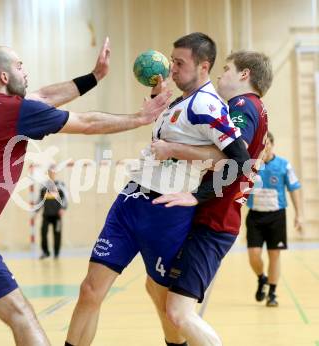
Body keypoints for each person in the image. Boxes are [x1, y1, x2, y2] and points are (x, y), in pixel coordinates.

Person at [0, 38, 173, 346]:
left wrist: (93, 77)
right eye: (18, 66)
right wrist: (140, 118)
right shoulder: (13, 112)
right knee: (22, 315)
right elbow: (87, 122)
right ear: (4, 76)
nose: (24, 70)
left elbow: (42, 96)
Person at [65, 32, 252, 346]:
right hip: (131, 200)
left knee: (164, 300)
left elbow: (241, 160)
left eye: (179, 63)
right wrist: (156, 96)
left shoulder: (207, 106)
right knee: (90, 289)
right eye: (171, 61)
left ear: (204, 67)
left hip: (165, 213)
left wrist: (196, 195)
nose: (172, 69)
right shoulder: (181, 100)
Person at [151, 50, 272, 345]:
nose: (220, 74)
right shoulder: (254, 108)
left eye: (227, 68)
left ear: (245, 75)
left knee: (179, 312)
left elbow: (235, 156)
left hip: (215, 221)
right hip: (214, 217)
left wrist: (176, 156)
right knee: (158, 290)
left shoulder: (243, 105)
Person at [246, 131, 303, 307]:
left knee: (274, 255)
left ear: (272, 144)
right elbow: (240, 189)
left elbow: (294, 188)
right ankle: (261, 278)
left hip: (276, 216)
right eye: (261, 144)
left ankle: (272, 292)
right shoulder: (251, 166)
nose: (264, 147)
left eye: (267, 143)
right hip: (255, 215)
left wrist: (299, 214)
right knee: (254, 254)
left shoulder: (284, 165)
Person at [38, 164, 68, 260]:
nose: (52, 173)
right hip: (46, 215)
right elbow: (40, 200)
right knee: (43, 232)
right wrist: (35, 211)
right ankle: (46, 252)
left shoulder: (60, 185)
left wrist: (63, 208)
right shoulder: (43, 186)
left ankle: (56, 253)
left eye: (53, 172)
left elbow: (65, 199)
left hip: (57, 216)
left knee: (57, 234)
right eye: (50, 172)